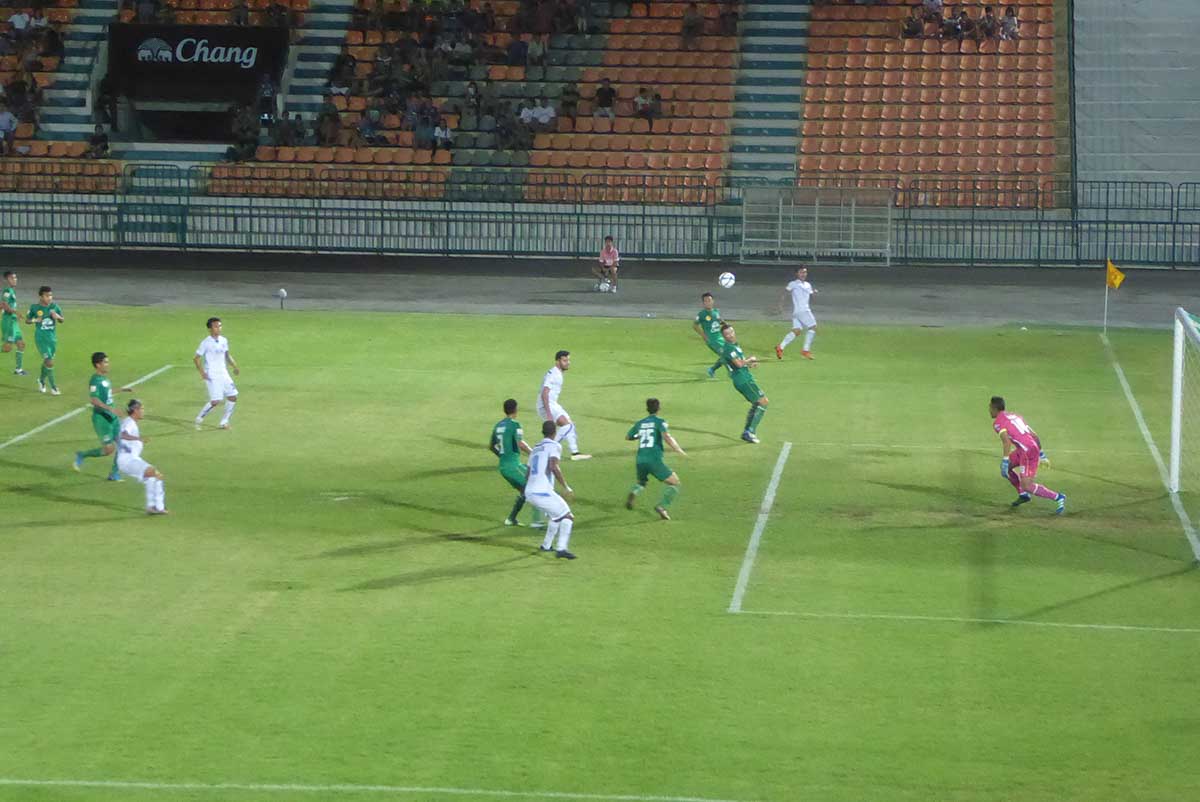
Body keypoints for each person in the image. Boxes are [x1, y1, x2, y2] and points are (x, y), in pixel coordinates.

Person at [990, 396, 1064, 513]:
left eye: (990, 407)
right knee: (1007, 469)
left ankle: (1058, 497)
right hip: (1023, 449)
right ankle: (1023, 494)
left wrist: (1005, 459)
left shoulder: (998, 423)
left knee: (1027, 485)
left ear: (994, 408)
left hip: (1028, 452)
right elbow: (1034, 435)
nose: (989, 410)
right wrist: (1042, 454)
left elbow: (1006, 442)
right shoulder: (1016, 416)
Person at [625, 398, 686, 521]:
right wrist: (678, 449)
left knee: (641, 482)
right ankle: (662, 507)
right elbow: (666, 436)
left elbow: (628, 437)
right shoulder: (660, 422)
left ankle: (634, 492)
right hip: (654, 460)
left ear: (647, 409)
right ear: (658, 408)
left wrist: (640, 435)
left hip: (640, 459)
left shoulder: (640, 423)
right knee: (675, 483)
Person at [73, 351, 128, 482]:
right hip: (102, 419)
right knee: (109, 449)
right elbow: (94, 400)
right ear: (98, 365)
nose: (108, 365)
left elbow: (107, 392)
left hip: (112, 418)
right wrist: (111, 409)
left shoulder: (105, 378)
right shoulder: (95, 380)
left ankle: (114, 474)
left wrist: (121, 389)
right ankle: (82, 455)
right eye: (105, 362)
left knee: (122, 445)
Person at [526, 419, 577, 559]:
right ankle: (561, 549)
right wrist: (566, 487)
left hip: (530, 491)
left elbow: (527, 472)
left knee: (556, 516)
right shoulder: (554, 446)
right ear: (554, 433)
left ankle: (546, 545)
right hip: (541, 491)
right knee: (567, 516)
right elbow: (553, 466)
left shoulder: (535, 448)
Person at [491, 398, 543, 528]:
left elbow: (492, 446)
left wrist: (503, 456)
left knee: (525, 491)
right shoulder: (515, 425)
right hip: (513, 466)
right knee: (535, 484)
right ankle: (537, 522)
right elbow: (520, 443)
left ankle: (511, 519)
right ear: (515, 409)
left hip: (503, 467)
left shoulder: (498, 426)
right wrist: (533, 453)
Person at [537, 349, 591, 460]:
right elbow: (544, 393)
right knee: (568, 426)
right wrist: (548, 414)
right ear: (557, 361)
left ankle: (575, 453)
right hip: (546, 405)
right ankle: (548, 448)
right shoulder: (553, 374)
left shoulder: (558, 373)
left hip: (553, 404)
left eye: (568, 360)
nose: (567, 363)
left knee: (570, 424)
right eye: (564, 360)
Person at [118, 399, 168, 515]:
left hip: (133, 459)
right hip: (127, 460)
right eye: (141, 409)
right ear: (135, 410)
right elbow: (123, 434)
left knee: (155, 477)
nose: (143, 411)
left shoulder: (131, 422)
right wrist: (138, 439)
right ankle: (154, 506)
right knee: (153, 472)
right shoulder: (129, 422)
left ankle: (156, 507)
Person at [720, 323, 768, 444]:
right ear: (723, 336)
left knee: (757, 403)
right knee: (763, 402)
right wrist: (749, 360)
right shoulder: (729, 348)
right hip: (743, 380)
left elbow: (740, 365)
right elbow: (739, 364)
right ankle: (749, 432)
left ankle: (748, 431)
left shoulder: (734, 346)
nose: (730, 335)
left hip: (744, 377)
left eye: (731, 332)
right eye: (727, 334)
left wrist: (750, 364)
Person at [193, 316, 240, 430]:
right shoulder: (206, 343)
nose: (218, 328)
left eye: (220, 326)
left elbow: (227, 355)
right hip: (212, 375)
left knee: (233, 396)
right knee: (215, 401)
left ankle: (224, 422)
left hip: (224, 373)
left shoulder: (224, 340)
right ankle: (199, 418)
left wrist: (234, 366)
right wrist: (202, 373)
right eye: (215, 326)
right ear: (210, 329)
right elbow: (196, 358)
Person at [25, 285, 63, 394]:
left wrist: (57, 317)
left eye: (51, 295)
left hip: (52, 339)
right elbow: (27, 320)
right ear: (41, 296)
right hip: (41, 338)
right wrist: (35, 320)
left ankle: (41, 380)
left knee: (47, 362)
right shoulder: (34, 307)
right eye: (47, 296)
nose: (49, 298)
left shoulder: (55, 307)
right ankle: (54, 387)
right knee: (50, 362)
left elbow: (62, 320)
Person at [776, 266, 818, 360]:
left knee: (797, 331)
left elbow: (811, 297)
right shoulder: (793, 284)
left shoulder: (808, 285)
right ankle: (805, 350)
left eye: (805, 272)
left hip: (797, 312)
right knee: (813, 327)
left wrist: (813, 293)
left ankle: (780, 347)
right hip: (803, 310)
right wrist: (780, 305)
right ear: (797, 274)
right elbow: (784, 293)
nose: (803, 274)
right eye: (801, 272)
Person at [693, 291, 725, 378]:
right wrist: (703, 335)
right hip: (711, 340)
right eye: (706, 301)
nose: (708, 302)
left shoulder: (716, 311)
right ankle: (731, 371)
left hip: (720, 338)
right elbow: (695, 325)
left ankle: (712, 369)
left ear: (713, 301)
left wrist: (725, 325)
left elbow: (719, 320)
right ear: (703, 303)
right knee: (725, 354)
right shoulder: (702, 314)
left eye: (709, 300)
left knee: (727, 354)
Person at [1, 270, 26, 375]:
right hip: (9, 322)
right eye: (11, 278)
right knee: (7, 348)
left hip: (13, 321)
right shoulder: (7, 291)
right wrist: (16, 312)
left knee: (21, 344)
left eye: (15, 278)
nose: (14, 280)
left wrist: (16, 316)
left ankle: (18, 369)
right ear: (6, 280)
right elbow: (4, 305)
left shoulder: (12, 291)